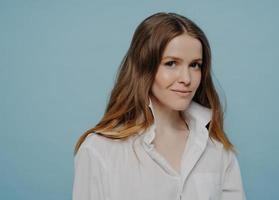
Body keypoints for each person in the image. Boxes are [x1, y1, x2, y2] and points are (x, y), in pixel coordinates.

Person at [72, 12, 246, 200]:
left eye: (195, 65)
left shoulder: (217, 148)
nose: (186, 79)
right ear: (143, 67)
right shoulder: (99, 150)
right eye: (171, 63)